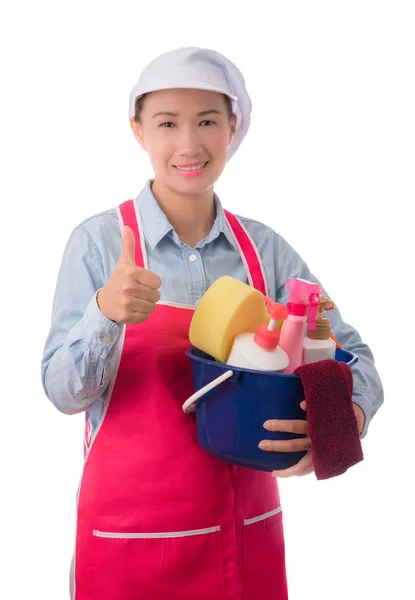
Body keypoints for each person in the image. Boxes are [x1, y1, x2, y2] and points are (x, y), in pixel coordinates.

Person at [41, 47, 383, 600]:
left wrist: (338, 423)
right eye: (167, 123)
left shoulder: (265, 252)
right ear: (138, 131)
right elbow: (61, 392)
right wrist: (105, 312)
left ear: (233, 129)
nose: (189, 144)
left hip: (245, 541)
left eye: (207, 121)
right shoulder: (98, 244)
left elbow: (353, 359)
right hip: (128, 541)